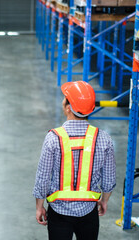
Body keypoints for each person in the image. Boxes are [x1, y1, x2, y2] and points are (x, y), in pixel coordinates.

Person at [33, 81, 116, 240]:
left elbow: (43, 177)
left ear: (68, 107)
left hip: (59, 212)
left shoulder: (53, 138)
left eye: (65, 99)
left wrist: (39, 206)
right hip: (88, 211)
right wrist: (104, 201)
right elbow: (109, 178)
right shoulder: (103, 138)